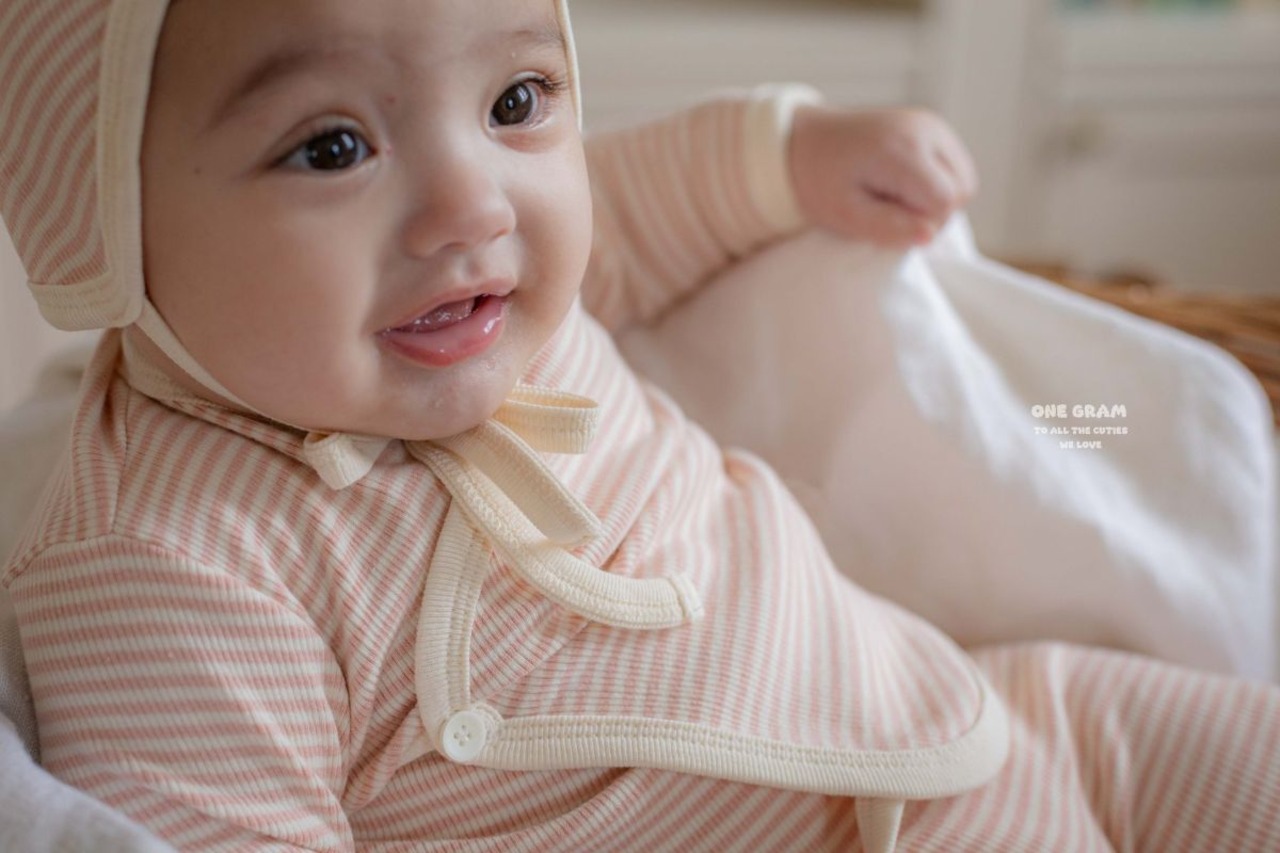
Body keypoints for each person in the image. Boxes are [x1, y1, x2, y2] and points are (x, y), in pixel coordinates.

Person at [0, 0, 1277, 849]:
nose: (474, 205)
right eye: (333, 147)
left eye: (514, 102)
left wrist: (793, 153)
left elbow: (636, 199)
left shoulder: (499, 305)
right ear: (99, 218)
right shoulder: (168, 559)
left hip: (1013, 723)